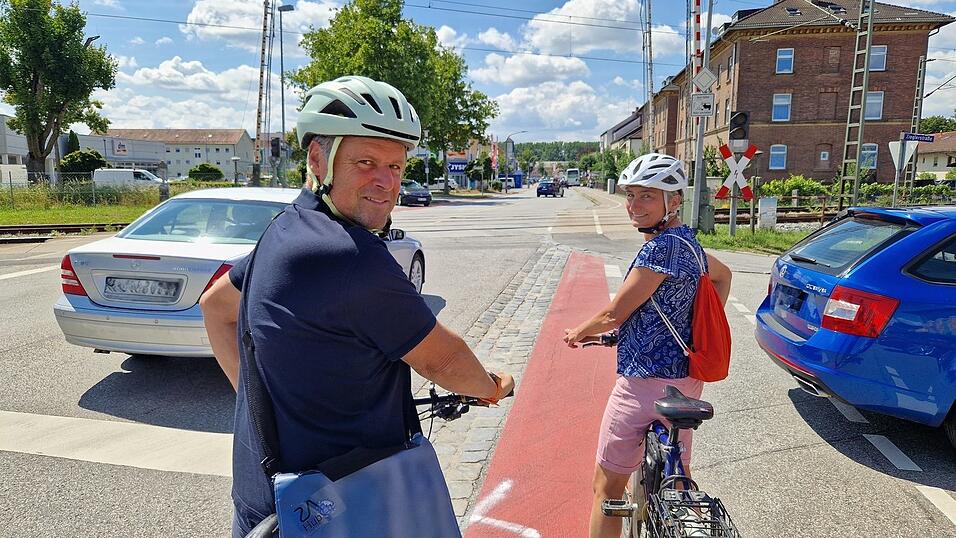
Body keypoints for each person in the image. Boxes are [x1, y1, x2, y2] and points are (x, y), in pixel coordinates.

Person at [199, 75, 515, 537]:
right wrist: (493, 385)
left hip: (267, 503)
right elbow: (444, 360)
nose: (385, 182)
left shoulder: (286, 229)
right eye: (366, 162)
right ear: (317, 159)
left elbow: (214, 306)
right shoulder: (349, 255)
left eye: (396, 166)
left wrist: (260, 411)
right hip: (342, 505)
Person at [562, 153, 732, 538]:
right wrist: (697, 327)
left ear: (674, 200)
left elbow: (613, 314)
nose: (634, 205)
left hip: (643, 384)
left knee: (606, 489)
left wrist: (579, 332)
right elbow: (724, 276)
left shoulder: (659, 250)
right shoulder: (689, 244)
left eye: (647, 196)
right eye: (631, 195)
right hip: (686, 382)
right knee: (678, 474)